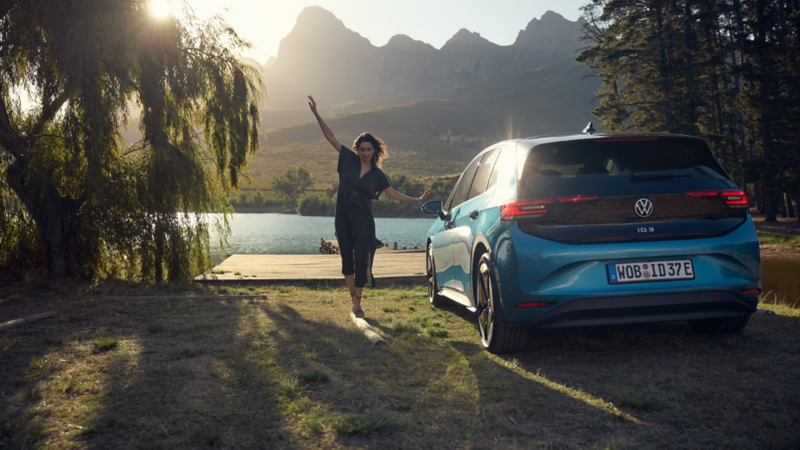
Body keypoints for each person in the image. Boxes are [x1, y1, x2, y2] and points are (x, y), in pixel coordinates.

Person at [308, 95, 431, 318]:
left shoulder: (377, 175)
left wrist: (417, 200)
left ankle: (357, 303)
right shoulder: (348, 160)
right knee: (346, 259)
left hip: (363, 221)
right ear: (357, 149)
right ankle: (353, 296)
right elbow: (330, 136)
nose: (365, 152)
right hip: (343, 217)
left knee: (361, 258)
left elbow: (393, 195)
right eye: (362, 149)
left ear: (375, 151)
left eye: (369, 149)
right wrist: (316, 113)